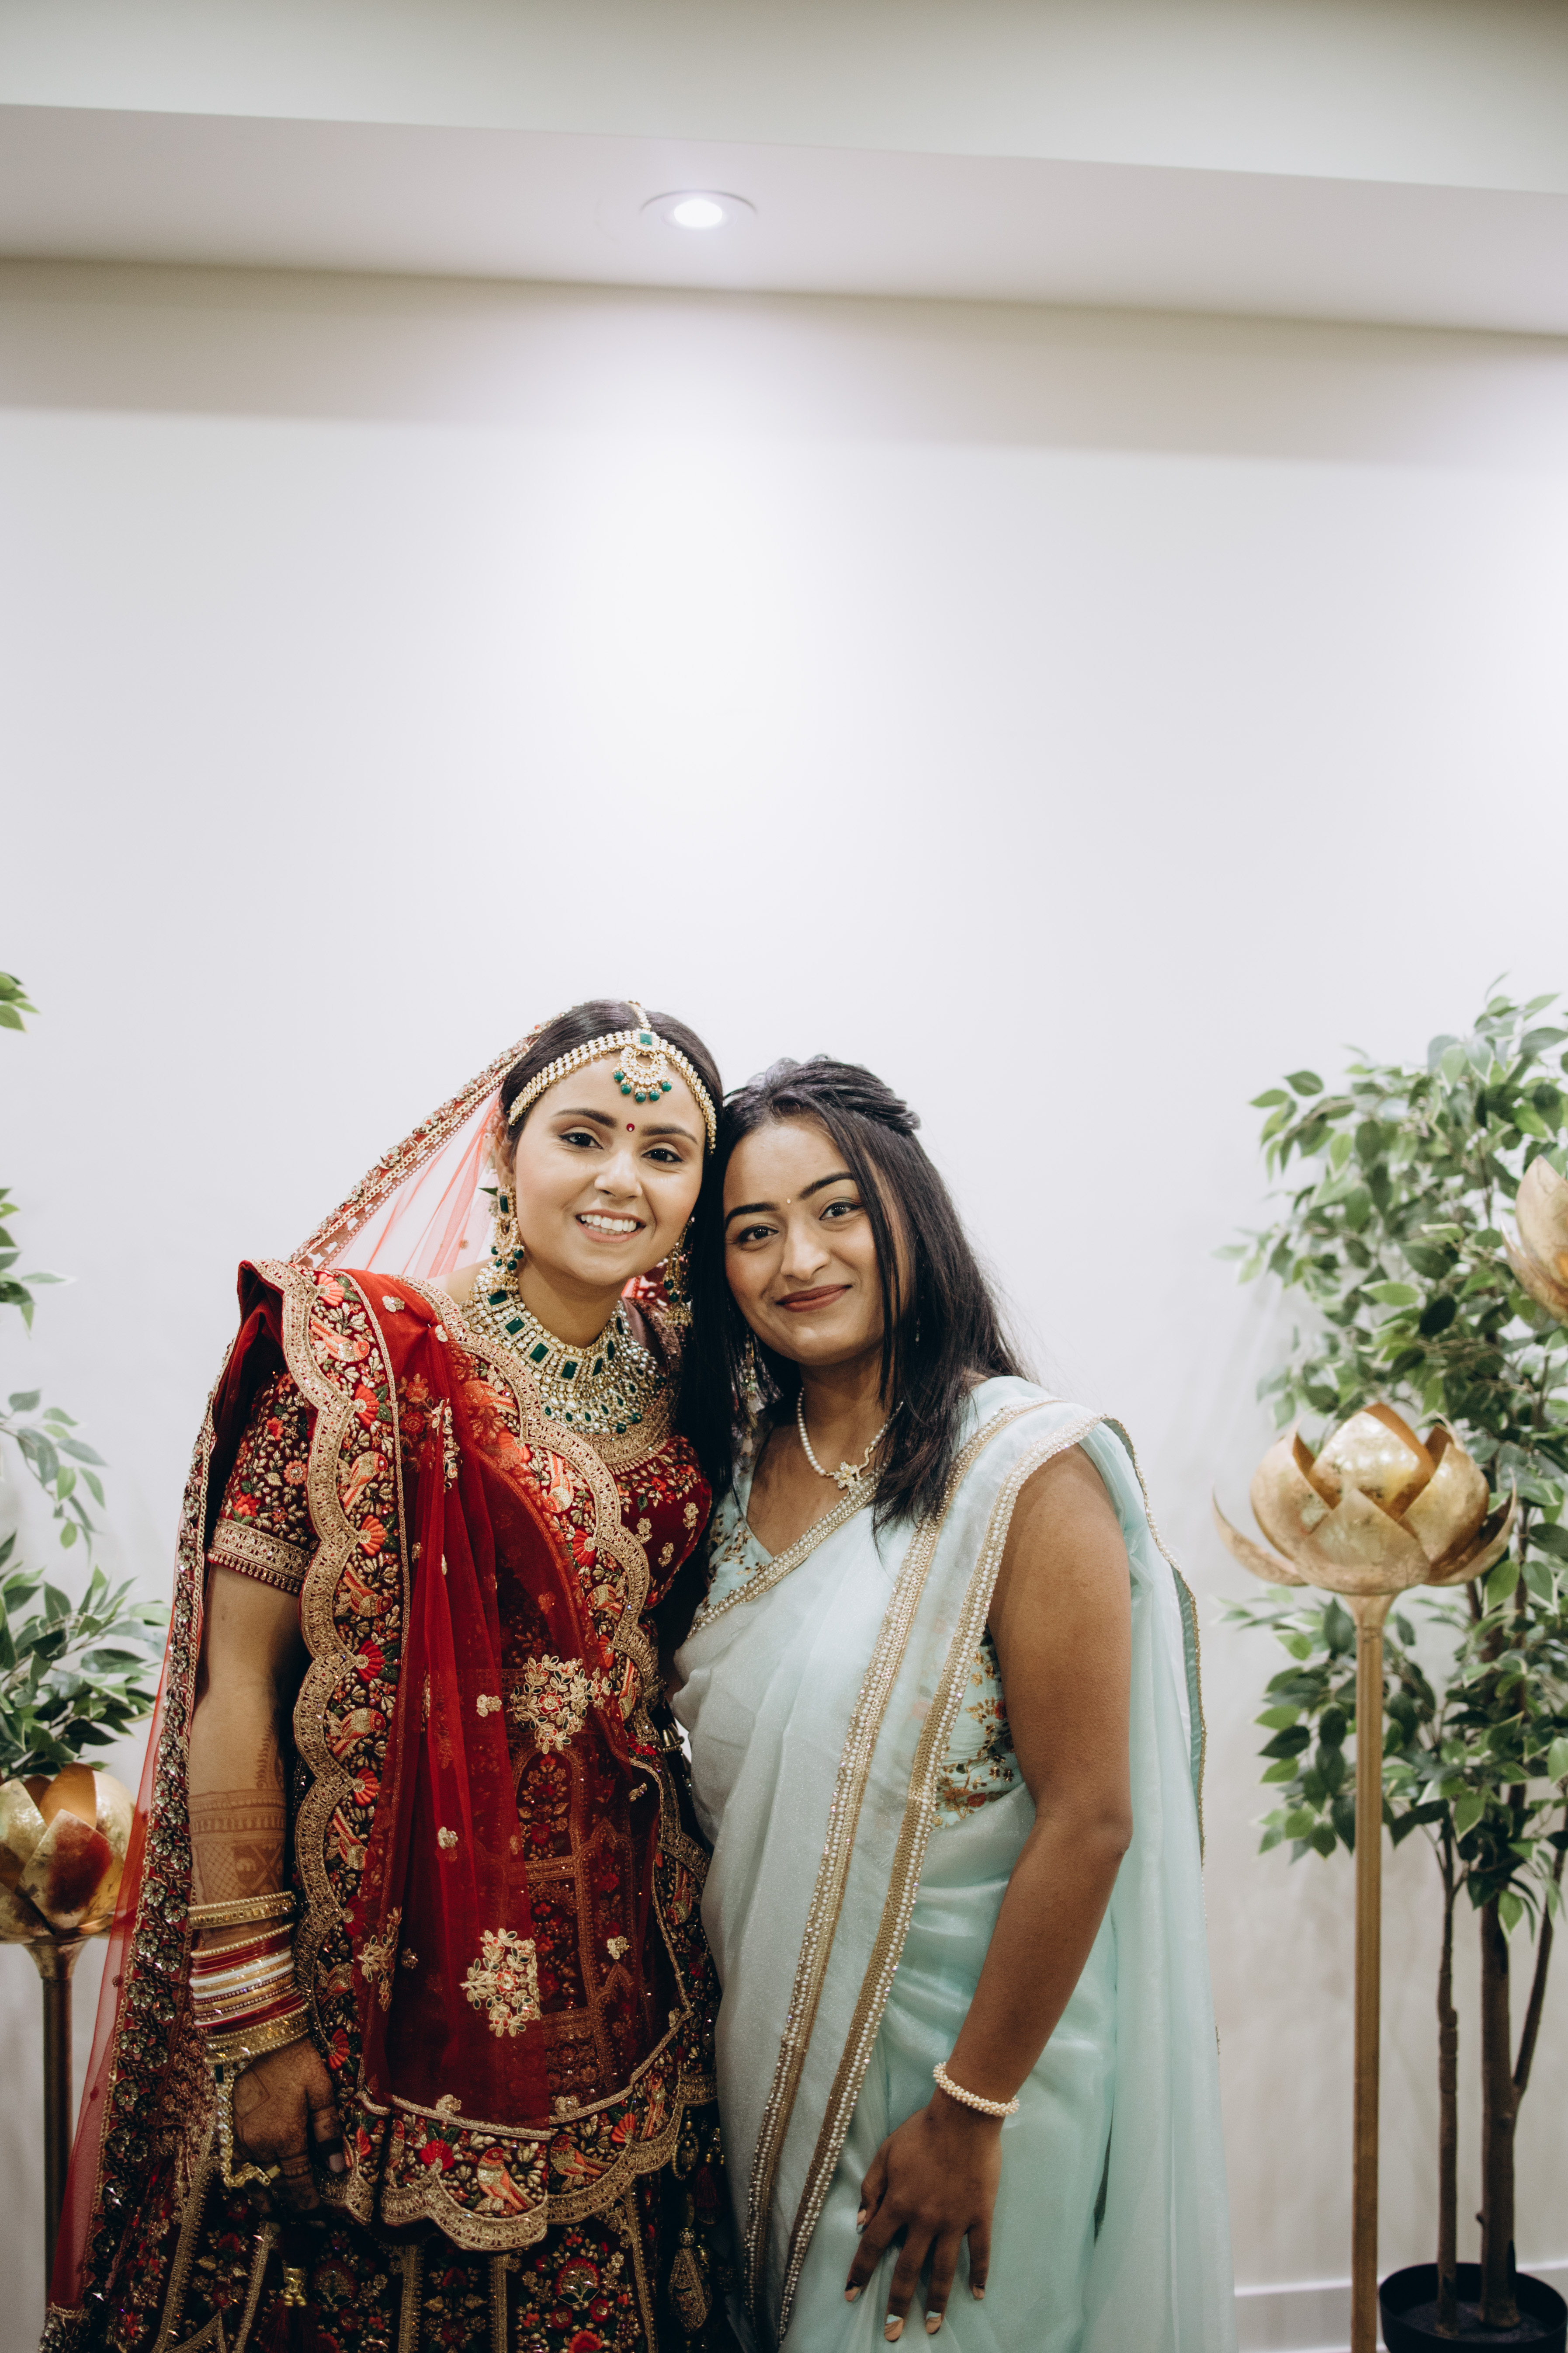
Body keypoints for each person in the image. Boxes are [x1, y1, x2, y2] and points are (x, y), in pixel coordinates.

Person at [45, 1003, 734, 2353]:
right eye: (584, 1136)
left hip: (630, 1993)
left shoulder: (703, 1384)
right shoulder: (351, 1367)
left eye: (664, 1152)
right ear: (505, 1152)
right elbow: (238, 1691)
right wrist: (255, 2013)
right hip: (369, 1983)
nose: (620, 1179)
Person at [672, 1059, 1234, 2352]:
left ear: (909, 1217)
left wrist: (969, 2114)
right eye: (753, 1232)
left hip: (976, 2078)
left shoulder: (1023, 1469)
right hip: (766, 2049)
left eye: (837, 1211)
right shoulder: (727, 1468)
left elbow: (1089, 1818)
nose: (799, 1259)